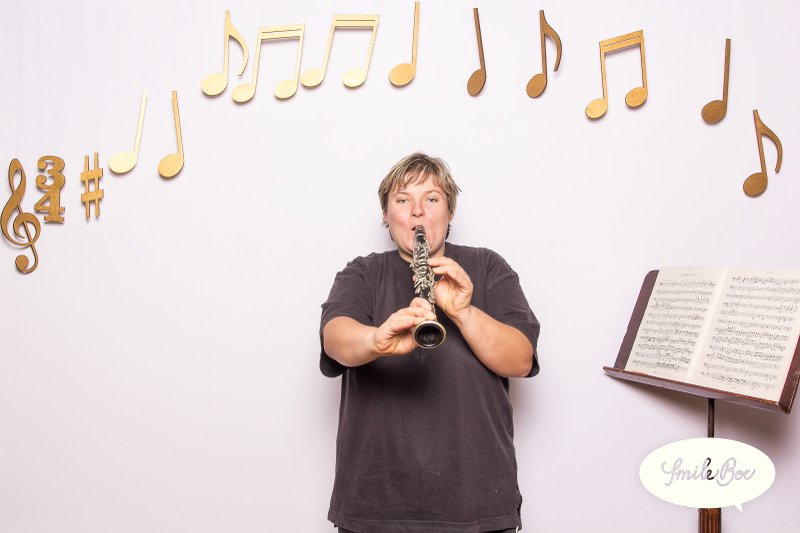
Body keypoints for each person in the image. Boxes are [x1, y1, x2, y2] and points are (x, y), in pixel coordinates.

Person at [320, 153, 540, 533]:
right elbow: (334, 339)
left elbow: (520, 359)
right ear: (387, 215)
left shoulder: (488, 267)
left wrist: (463, 312)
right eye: (403, 200)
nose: (418, 211)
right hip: (376, 507)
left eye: (432, 198)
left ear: (450, 212)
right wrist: (376, 340)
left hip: (477, 505)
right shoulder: (363, 272)